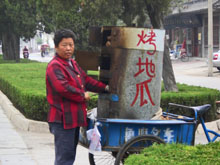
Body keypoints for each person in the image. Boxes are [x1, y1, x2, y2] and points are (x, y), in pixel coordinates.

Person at [46, 28, 109, 165]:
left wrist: (105, 88)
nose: (68, 48)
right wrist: (82, 95)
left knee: (69, 156)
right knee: (64, 159)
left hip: (73, 118)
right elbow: (63, 88)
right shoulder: (54, 66)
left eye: (71, 45)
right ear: (56, 47)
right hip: (62, 119)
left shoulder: (72, 64)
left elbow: (86, 80)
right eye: (64, 45)